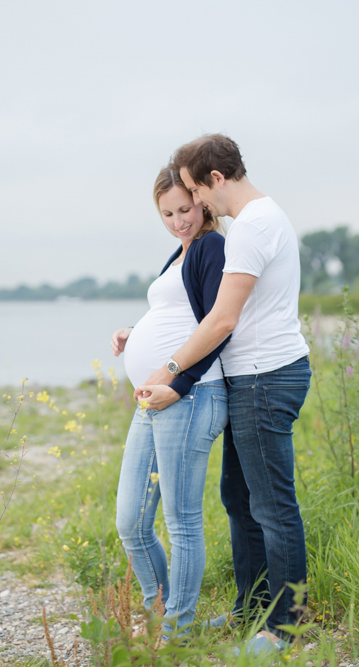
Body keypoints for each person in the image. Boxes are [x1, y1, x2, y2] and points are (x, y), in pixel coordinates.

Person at [136, 134, 311, 656]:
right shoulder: (254, 221)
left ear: (215, 179)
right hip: (251, 377)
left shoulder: (254, 225)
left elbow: (222, 319)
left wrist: (171, 370)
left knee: (273, 506)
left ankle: (285, 626)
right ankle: (250, 608)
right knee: (238, 500)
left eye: (195, 191)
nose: (198, 206)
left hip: (264, 375)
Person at [112, 166, 230, 636]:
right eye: (168, 213)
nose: (179, 220)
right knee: (131, 523)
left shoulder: (211, 246)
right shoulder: (180, 252)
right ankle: (160, 616)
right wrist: (136, 333)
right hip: (154, 400)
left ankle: (176, 632)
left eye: (186, 209)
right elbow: (178, 315)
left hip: (191, 396)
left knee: (181, 522)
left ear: (202, 201)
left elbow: (218, 325)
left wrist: (177, 384)